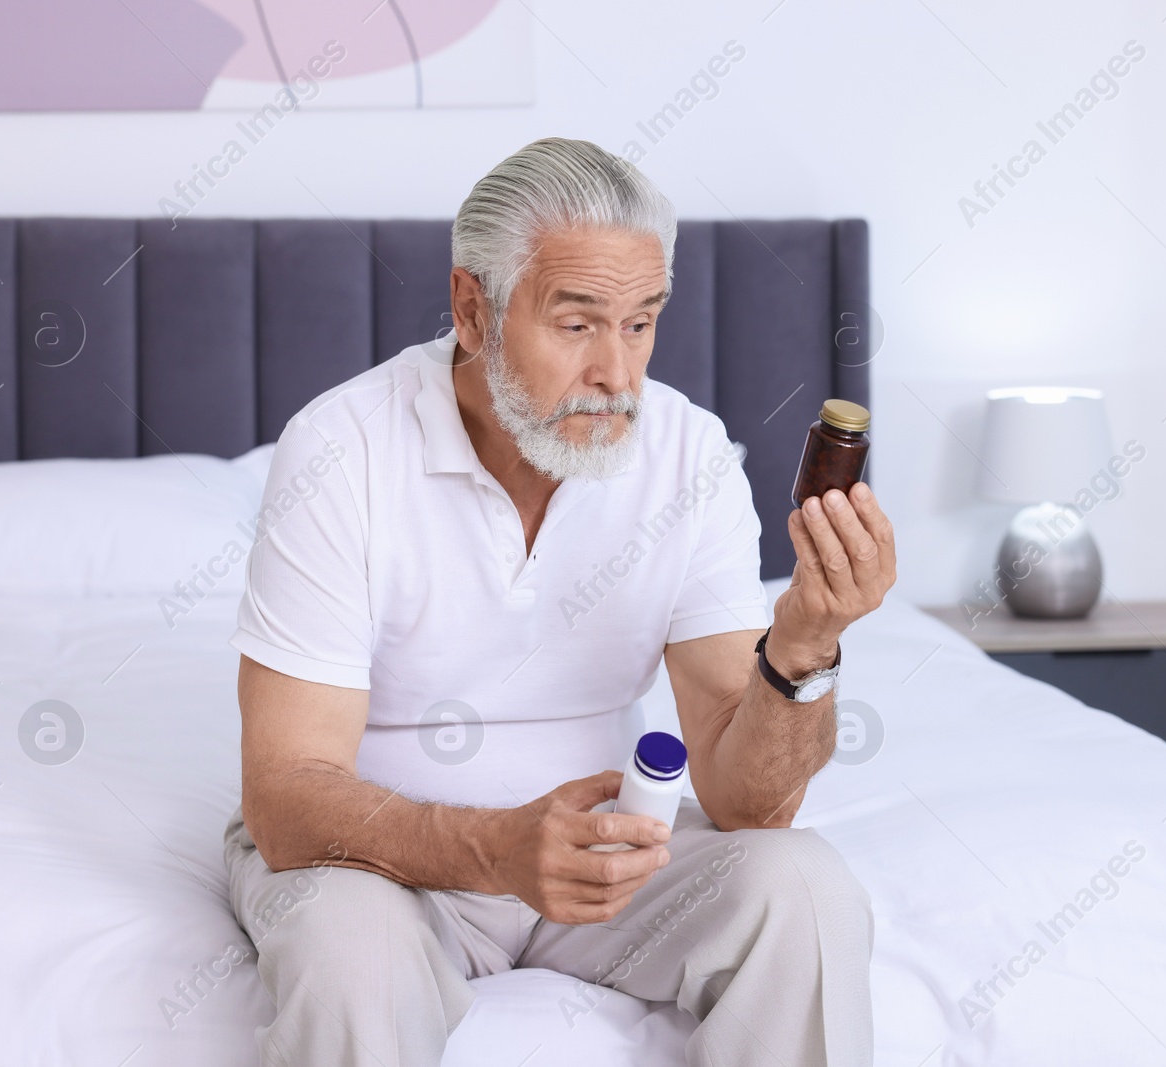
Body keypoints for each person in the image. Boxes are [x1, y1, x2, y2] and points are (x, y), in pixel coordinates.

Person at [222, 136, 897, 1067]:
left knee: (807, 887)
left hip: (601, 860)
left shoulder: (689, 456)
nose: (619, 377)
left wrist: (804, 646)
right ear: (473, 309)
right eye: (577, 325)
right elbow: (284, 798)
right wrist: (495, 848)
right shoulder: (341, 450)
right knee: (351, 953)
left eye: (642, 323)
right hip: (376, 862)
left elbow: (749, 805)